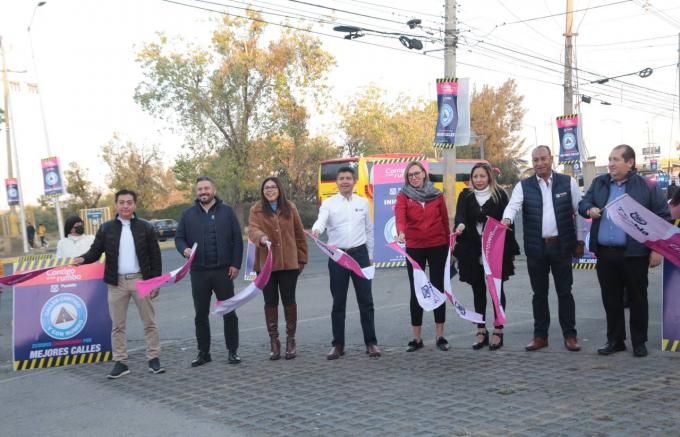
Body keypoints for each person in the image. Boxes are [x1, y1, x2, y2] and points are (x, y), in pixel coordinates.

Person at [579, 144, 670, 357]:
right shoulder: (600, 183)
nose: (610, 164)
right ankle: (615, 340)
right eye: (609, 159)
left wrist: (657, 250)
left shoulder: (646, 186)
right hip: (605, 252)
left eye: (616, 159)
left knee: (638, 298)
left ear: (630, 163)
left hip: (634, 253)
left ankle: (639, 342)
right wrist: (589, 209)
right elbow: (583, 203)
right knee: (611, 299)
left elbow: (661, 217)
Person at [74, 189, 163, 379]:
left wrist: (156, 282)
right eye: (121, 202)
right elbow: (95, 252)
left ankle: (153, 358)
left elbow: (155, 257)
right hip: (117, 283)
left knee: (149, 322)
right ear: (116, 205)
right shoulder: (107, 228)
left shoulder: (145, 227)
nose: (125, 206)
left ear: (134, 205)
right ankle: (121, 362)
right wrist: (82, 259)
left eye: (129, 202)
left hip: (141, 280)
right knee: (118, 325)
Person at [502, 145, 584, 352]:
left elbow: (579, 212)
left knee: (565, 292)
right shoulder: (523, 186)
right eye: (535, 160)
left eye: (543, 159)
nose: (539, 163)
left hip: (562, 246)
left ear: (551, 159)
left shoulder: (569, 182)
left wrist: (580, 241)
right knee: (539, 294)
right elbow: (513, 206)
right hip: (536, 248)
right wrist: (506, 219)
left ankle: (570, 336)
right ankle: (540, 336)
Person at [312, 166, 380, 359]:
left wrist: (371, 256)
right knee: (338, 302)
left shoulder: (363, 202)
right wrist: (317, 230)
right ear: (337, 182)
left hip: (360, 256)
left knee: (366, 301)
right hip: (338, 257)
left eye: (348, 178)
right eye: (341, 178)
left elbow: (369, 230)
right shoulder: (329, 203)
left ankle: (371, 343)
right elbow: (321, 220)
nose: (344, 181)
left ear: (354, 181)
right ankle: (338, 345)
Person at [176, 176, 244, 366]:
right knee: (200, 314)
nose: (203, 192)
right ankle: (203, 353)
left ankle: (233, 351)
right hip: (198, 272)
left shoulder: (227, 212)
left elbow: (237, 240)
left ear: (213, 190)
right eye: (200, 189)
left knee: (229, 312)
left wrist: (236, 264)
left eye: (206, 188)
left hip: (223, 272)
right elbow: (179, 238)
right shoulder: (187, 214)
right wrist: (184, 250)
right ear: (196, 192)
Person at [454, 163, 520, 351]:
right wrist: (459, 226)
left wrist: (508, 250)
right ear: (471, 179)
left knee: (496, 290)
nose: (479, 180)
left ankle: (498, 330)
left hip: (495, 250)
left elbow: (508, 223)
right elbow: (460, 217)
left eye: (482, 176)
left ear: (489, 177)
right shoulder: (465, 195)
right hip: (472, 249)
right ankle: (481, 330)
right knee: (478, 289)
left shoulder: (500, 195)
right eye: (476, 176)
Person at [248, 177, 308, 360]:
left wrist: (301, 259)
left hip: (289, 264)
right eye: (266, 188)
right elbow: (252, 230)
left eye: (273, 187)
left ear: (279, 189)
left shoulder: (290, 207)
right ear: (262, 191)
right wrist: (262, 238)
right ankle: (274, 341)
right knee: (270, 302)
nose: (270, 190)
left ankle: (291, 340)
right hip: (266, 265)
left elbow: (299, 233)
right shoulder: (256, 209)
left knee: (289, 300)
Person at [394, 161, 451, 352]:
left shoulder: (436, 195)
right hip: (415, 247)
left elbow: (444, 220)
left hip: (438, 245)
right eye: (410, 175)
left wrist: (450, 244)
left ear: (424, 174)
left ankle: (440, 335)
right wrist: (401, 232)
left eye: (417, 173)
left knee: (437, 288)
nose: (414, 177)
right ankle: (416, 338)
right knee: (417, 290)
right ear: (407, 178)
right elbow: (400, 218)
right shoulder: (404, 196)